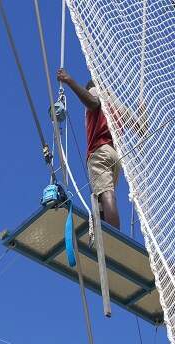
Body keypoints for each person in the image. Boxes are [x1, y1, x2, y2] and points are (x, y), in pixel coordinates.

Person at [56, 67, 122, 230]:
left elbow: (93, 102)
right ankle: (104, 233)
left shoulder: (95, 91)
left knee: (106, 192)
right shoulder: (115, 107)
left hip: (100, 152)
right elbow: (141, 128)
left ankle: (115, 236)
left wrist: (69, 81)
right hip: (116, 157)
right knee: (101, 198)